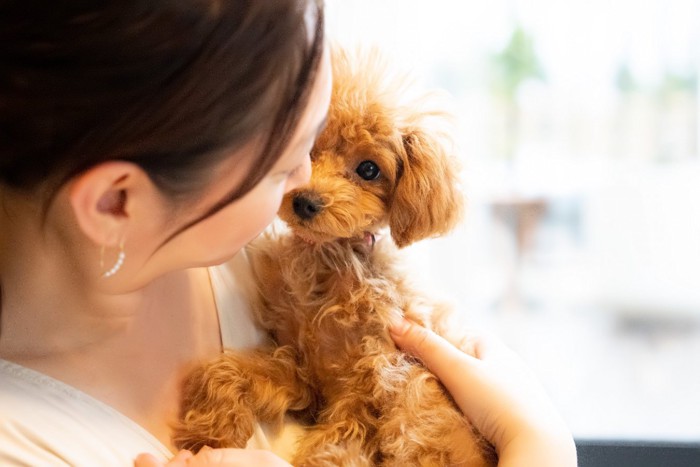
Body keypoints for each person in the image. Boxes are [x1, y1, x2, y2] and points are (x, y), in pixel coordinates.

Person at [0, 1, 577, 466]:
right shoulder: (26, 445)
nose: (307, 182)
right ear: (117, 202)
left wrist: (541, 442)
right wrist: (538, 451)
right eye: (289, 159)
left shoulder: (241, 253)